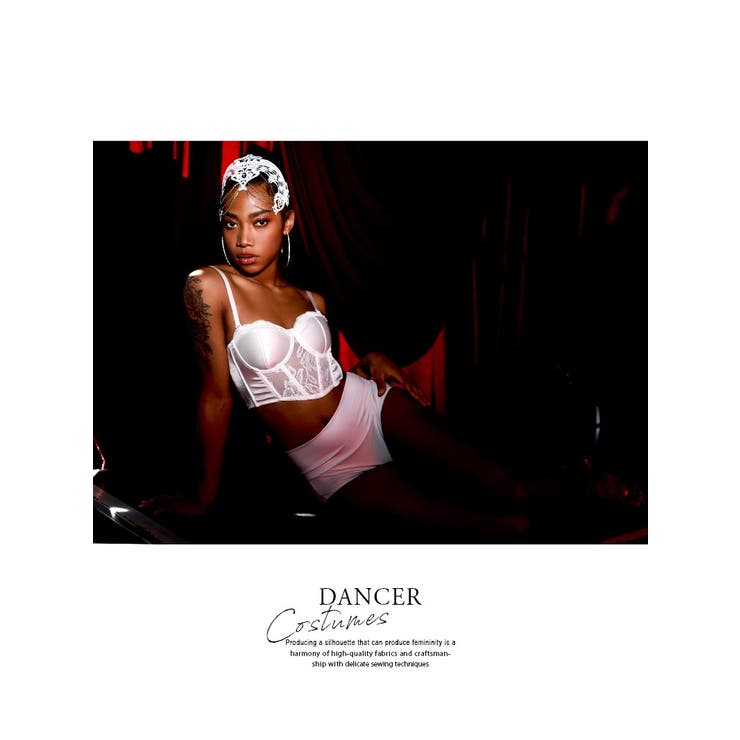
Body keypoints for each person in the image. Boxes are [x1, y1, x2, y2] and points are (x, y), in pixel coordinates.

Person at [143, 153, 532, 539]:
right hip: (326, 461)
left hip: (372, 404)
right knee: (490, 528)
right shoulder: (209, 286)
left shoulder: (313, 299)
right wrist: (204, 498)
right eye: (232, 223)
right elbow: (216, 398)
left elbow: (317, 377)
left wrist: (369, 362)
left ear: (287, 221)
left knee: (509, 486)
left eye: (260, 222)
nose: (244, 239)